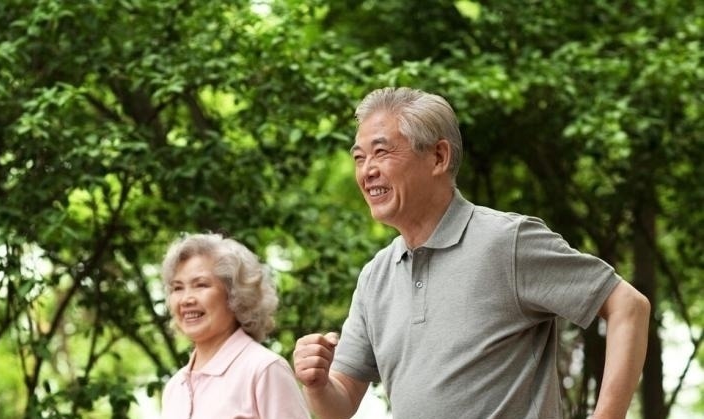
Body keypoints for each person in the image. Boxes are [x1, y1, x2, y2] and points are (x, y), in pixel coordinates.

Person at [292, 87, 651, 419]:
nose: (367, 171)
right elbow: (338, 407)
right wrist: (318, 384)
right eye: (359, 157)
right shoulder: (376, 276)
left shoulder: (506, 242)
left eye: (381, 152)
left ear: (438, 156)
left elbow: (629, 306)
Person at [160, 233, 310, 419]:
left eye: (201, 285)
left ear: (235, 295)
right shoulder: (175, 387)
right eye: (177, 288)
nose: (186, 299)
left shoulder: (264, 369)